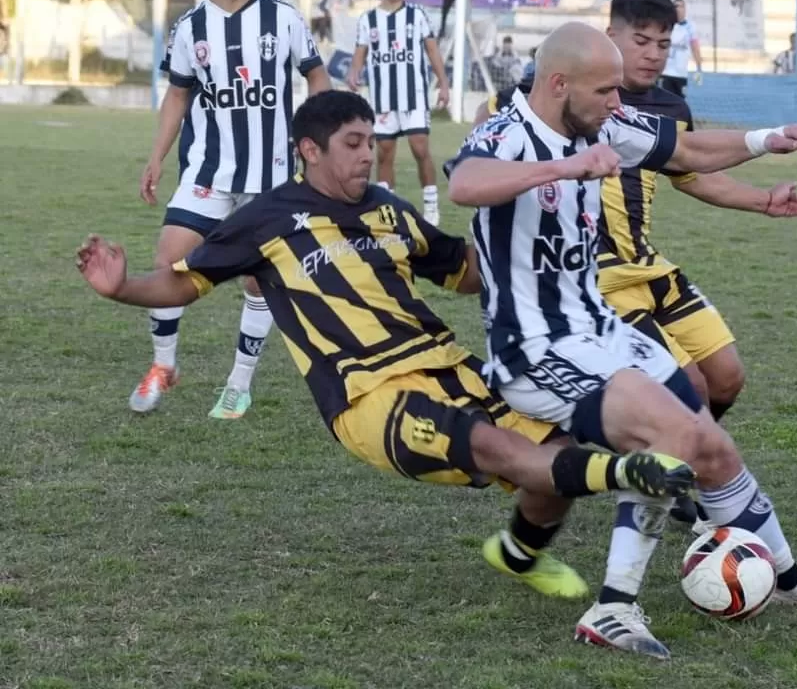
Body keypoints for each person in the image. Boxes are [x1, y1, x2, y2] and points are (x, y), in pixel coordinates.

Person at [77, 91, 695, 598]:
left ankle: (519, 554)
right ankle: (628, 473)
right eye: (352, 144)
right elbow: (184, 283)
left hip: (446, 363)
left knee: (555, 459)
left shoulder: (388, 211)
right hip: (367, 393)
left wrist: (527, 236)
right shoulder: (268, 218)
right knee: (494, 447)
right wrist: (122, 286)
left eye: (370, 142)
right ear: (310, 150)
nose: (367, 155)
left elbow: (464, 270)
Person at [445, 22, 797, 660]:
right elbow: (465, 184)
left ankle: (787, 580)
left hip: (603, 331)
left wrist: (767, 139)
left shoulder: (604, 124)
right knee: (666, 440)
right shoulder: (507, 132)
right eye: (605, 91)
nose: (618, 103)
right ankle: (612, 609)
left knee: (709, 444)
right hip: (536, 350)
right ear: (558, 84)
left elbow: (687, 150)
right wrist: (565, 167)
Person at [598, 0, 797, 514]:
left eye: (662, 44)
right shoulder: (579, 96)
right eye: (640, 41)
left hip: (647, 266)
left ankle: (679, 462)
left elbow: (690, 171)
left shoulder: (670, 107)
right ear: (610, 35)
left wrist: (763, 201)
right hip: (596, 278)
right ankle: (689, 485)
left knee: (726, 377)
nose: (652, 54)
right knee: (686, 383)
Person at [136, 0, 331, 420]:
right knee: (168, 262)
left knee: (257, 279)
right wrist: (157, 156)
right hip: (208, 171)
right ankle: (163, 366)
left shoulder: (282, 17)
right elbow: (177, 95)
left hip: (270, 176)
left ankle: (238, 384)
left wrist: (318, 136)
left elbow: (316, 75)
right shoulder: (190, 27)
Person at [345, 0, 449, 225]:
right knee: (384, 153)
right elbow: (360, 53)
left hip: (414, 96)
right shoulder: (368, 20)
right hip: (383, 99)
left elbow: (432, 49)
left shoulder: (417, 15)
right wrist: (354, 72)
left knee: (420, 148)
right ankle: (387, 211)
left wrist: (443, 82)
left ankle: (431, 208)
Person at [659, 0, 702, 97]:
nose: (678, 9)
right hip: (666, 73)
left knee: (680, 101)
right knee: (664, 100)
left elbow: (695, 47)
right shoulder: (666, 25)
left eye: (681, 6)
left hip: (681, 74)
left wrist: (699, 69)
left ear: (685, 9)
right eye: (675, 6)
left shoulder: (690, 27)